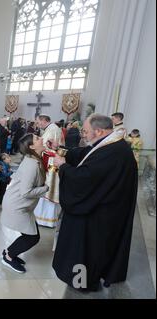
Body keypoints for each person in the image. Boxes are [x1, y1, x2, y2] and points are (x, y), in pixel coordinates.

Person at [52, 114, 138, 292]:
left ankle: (82, 283)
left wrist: (63, 167)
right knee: (89, 249)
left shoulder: (113, 151)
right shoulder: (109, 143)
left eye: (85, 131)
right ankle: (83, 279)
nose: (83, 134)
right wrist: (61, 149)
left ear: (99, 131)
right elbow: (86, 155)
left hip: (97, 214)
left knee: (84, 250)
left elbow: (85, 178)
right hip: (103, 207)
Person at [0, 134, 49, 273]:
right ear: (32, 146)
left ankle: (9, 253)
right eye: (38, 138)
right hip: (17, 204)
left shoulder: (33, 158)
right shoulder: (31, 165)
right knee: (32, 237)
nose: (42, 138)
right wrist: (46, 188)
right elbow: (26, 192)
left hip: (20, 204)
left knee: (31, 235)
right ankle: (8, 256)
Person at [33, 115, 64, 228]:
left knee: (48, 188)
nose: (38, 124)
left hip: (51, 164)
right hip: (51, 162)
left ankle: (45, 219)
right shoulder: (52, 128)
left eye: (38, 122)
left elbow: (46, 146)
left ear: (44, 120)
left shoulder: (52, 129)